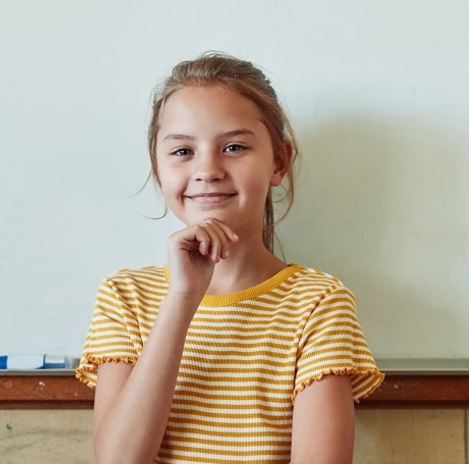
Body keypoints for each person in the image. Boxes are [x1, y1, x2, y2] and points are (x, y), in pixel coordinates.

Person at [76, 52, 384, 464]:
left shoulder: (318, 304)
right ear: (158, 166)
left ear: (278, 161)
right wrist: (182, 298)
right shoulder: (125, 297)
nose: (207, 169)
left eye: (234, 147)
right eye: (183, 151)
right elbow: (119, 461)